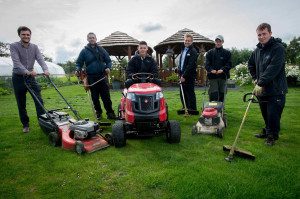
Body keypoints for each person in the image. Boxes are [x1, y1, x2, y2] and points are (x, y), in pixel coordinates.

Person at [248, 23, 287, 146]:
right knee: (265, 113)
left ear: (270, 33)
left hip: (276, 89)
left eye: (264, 34)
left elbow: (273, 69)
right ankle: (267, 131)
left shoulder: (278, 48)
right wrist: (255, 79)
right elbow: (251, 65)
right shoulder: (257, 50)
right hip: (262, 89)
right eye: (259, 35)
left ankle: (272, 136)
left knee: (273, 114)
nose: (261, 37)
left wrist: (260, 82)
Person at [10, 26, 50, 133]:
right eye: (23, 34)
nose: (26, 36)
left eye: (28, 34)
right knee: (21, 103)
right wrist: (27, 71)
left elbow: (40, 59)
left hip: (31, 78)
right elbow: (16, 62)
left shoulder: (34, 47)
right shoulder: (14, 46)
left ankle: (43, 123)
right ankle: (25, 125)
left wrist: (45, 69)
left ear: (30, 35)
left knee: (39, 100)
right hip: (18, 78)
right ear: (19, 35)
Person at [76, 32, 116, 120]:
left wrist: (108, 67)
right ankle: (98, 113)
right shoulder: (84, 51)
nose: (91, 39)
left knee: (106, 97)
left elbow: (109, 61)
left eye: (93, 37)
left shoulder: (101, 49)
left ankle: (110, 113)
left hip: (102, 76)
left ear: (96, 39)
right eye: (90, 38)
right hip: (91, 77)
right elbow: (79, 63)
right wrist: (78, 69)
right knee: (95, 98)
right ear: (87, 39)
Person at [205, 35, 232, 102]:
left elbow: (229, 64)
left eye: (219, 41)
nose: (218, 43)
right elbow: (207, 64)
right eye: (216, 41)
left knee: (222, 93)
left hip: (223, 76)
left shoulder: (227, 53)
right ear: (215, 42)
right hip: (212, 77)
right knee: (214, 93)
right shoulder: (209, 53)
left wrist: (222, 69)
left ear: (222, 42)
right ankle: (213, 110)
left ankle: (221, 110)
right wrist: (211, 70)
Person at [178, 33, 198, 111]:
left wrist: (184, 76)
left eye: (189, 41)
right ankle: (185, 107)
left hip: (189, 76)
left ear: (192, 42)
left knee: (190, 93)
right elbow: (181, 62)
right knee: (182, 92)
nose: (187, 42)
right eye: (186, 40)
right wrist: (179, 71)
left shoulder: (193, 51)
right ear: (184, 40)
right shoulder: (183, 50)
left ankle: (192, 109)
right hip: (182, 75)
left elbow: (191, 65)